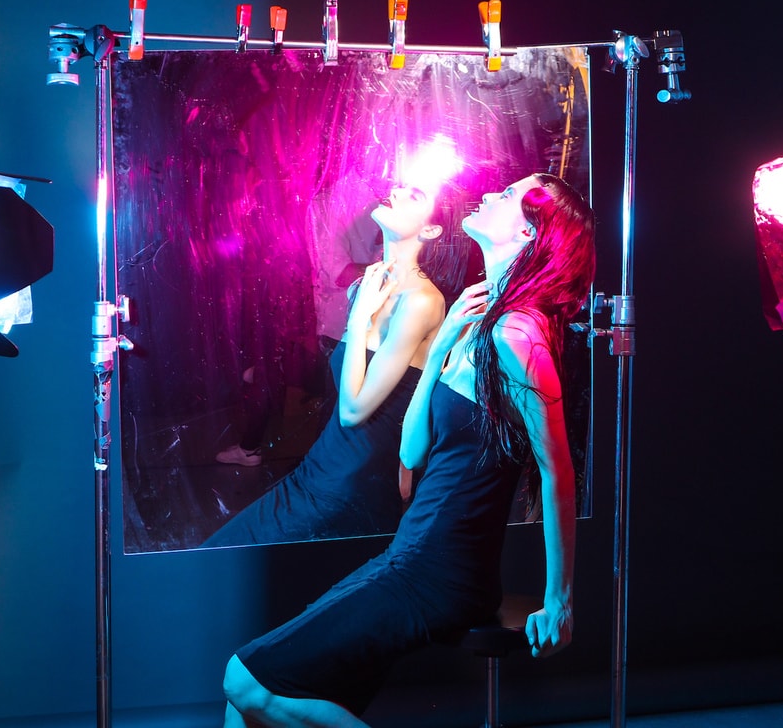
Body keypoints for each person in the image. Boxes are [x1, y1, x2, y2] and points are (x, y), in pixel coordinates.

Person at [222, 173, 595, 727]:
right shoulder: (476, 320)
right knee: (244, 707)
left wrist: (559, 601)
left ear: (528, 232)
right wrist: (441, 344)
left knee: (244, 680)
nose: (489, 195)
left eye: (508, 196)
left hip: (441, 573)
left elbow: (557, 471)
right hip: (410, 555)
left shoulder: (518, 335)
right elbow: (413, 450)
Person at [205, 181, 471, 547]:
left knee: (223, 559)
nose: (396, 190)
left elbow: (353, 411)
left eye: (415, 195)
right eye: (401, 186)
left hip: (351, 485)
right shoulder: (372, 284)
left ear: (431, 230)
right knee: (221, 557)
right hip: (322, 469)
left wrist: (359, 319)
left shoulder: (421, 301)